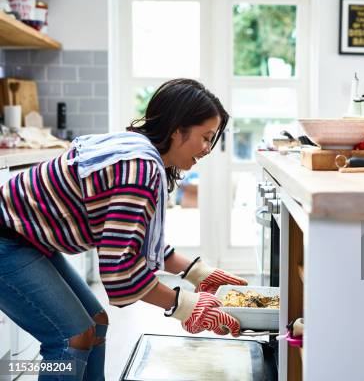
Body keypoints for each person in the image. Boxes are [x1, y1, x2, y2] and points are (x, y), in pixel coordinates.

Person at [0, 78, 249, 381]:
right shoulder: (139, 169)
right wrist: (185, 305)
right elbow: (120, 277)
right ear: (177, 128)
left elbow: (130, 236)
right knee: (71, 339)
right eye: (206, 137)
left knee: (96, 322)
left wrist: (197, 273)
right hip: (7, 240)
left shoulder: (139, 152)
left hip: (25, 238)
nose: (208, 149)